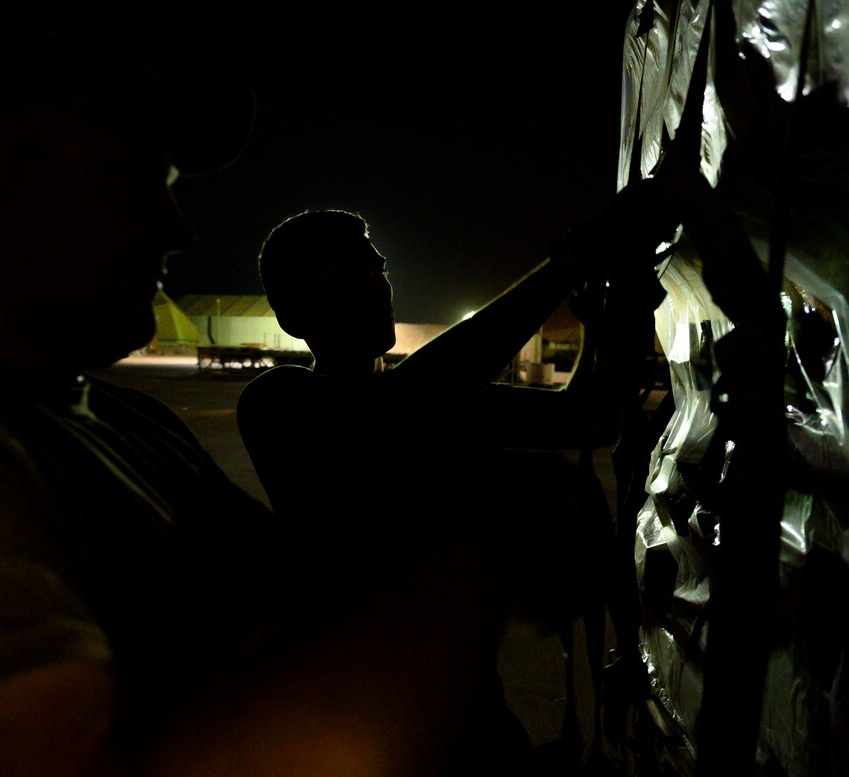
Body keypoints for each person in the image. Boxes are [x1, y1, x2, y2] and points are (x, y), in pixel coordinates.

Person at [0, 4, 548, 776]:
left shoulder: (130, 423)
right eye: (134, 177)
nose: (178, 229)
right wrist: (484, 532)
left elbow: (299, 604)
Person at [236, 196, 674, 772]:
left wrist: (616, 320)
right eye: (348, 282)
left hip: (469, 716)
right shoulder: (280, 403)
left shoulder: (434, 398)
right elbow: (404, 407)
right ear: (296, 320)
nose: (376, 289)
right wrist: (565, 267)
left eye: (377, 271)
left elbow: (587, 418)